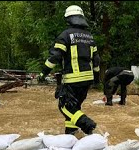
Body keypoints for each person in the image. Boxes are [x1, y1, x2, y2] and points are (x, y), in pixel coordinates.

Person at [37, 5, 101, 135]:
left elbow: (55, 57)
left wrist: (43, 73)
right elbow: (96, 60)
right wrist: (96, 78)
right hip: (87, 79)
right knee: (75, 107)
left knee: (65, 107)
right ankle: (71, 133)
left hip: (73, 79)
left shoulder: (65, 35)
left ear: (69, 19)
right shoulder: (89, 37)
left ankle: (89, 126)